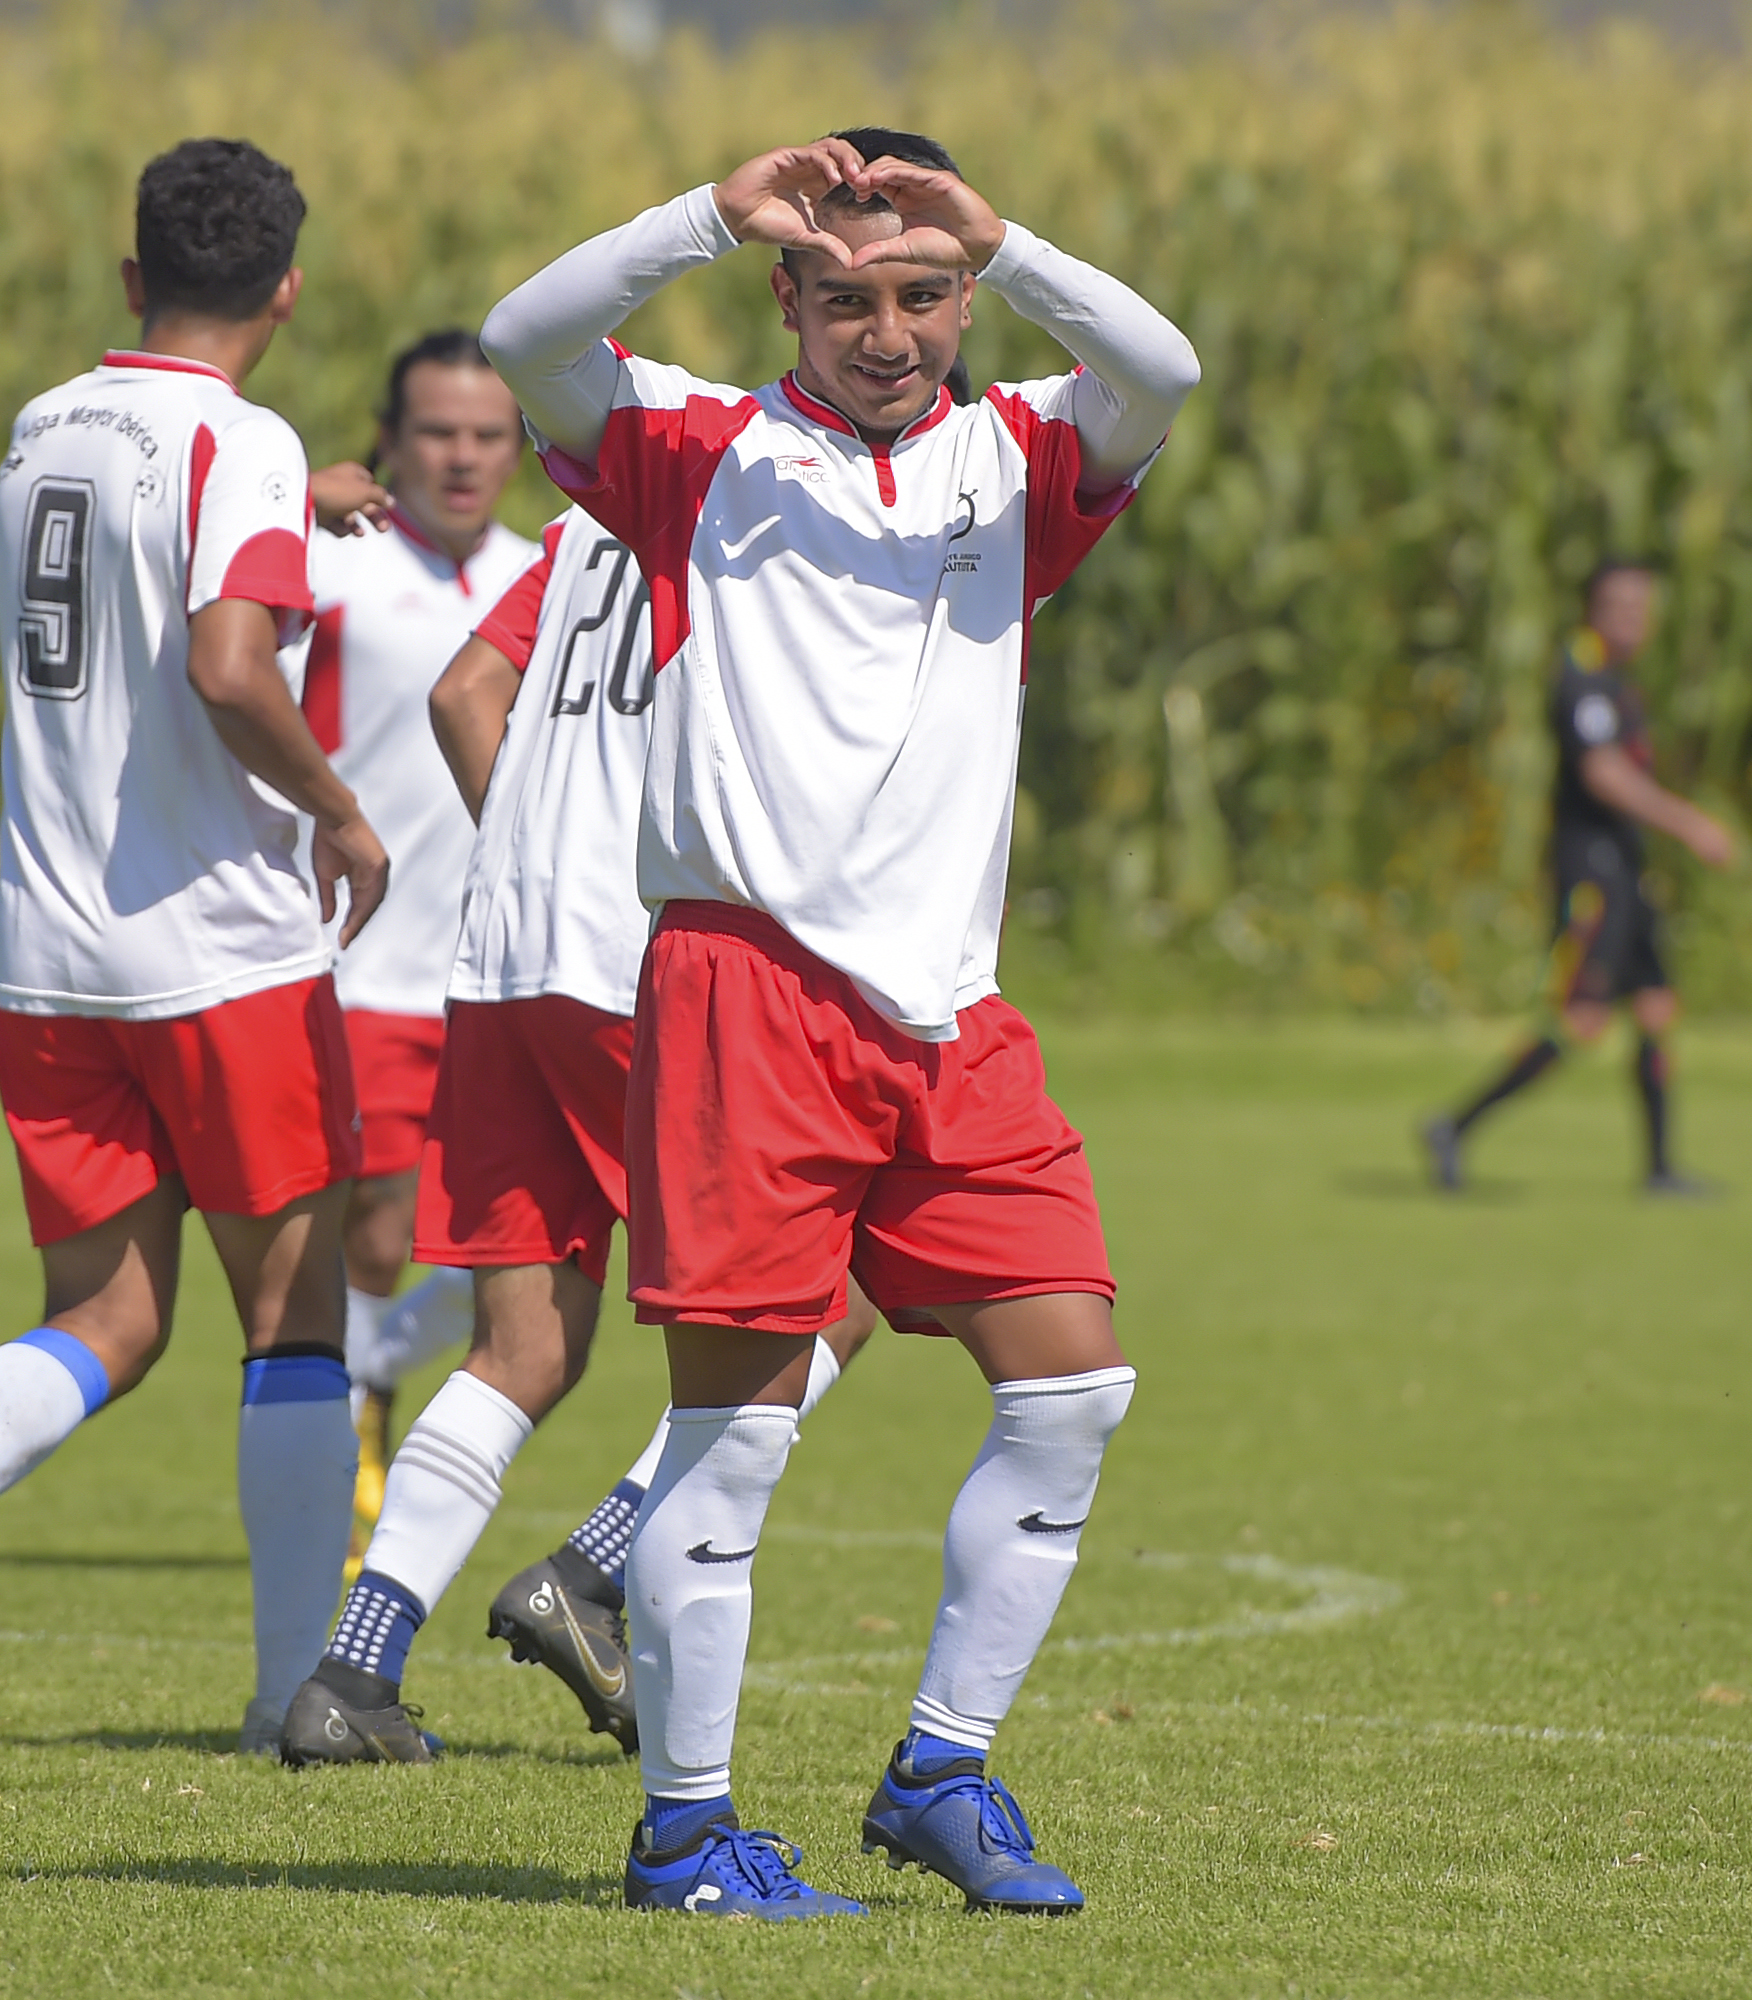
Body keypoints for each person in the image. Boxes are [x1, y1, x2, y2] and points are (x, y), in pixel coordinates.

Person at [481, 129, 1197, 1916]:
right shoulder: (692, 451)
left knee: (1075, 1388)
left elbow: (1166, 369)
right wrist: (705, 217)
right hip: (746, 997)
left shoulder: (1020, 451)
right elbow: (523, 335)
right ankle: (685, 1837)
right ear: (787, 300)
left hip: (954, 1015)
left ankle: (942, 1774)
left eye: (923, 294)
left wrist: (1011, 239)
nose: (890, 330)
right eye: (847, 295)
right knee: (736, 1437)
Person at [0, 137, 388, 1760]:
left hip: (51, 959)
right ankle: (289, 1703)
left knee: (110, 1319)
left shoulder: (45, 425)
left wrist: (302, 498)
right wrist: (339, 809)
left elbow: (150, 550)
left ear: (132, 279)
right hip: (221, 951)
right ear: (285, 285)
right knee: (297, 1316)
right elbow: (222, 659)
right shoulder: (241, 443)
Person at [277, 499, 884, 1767]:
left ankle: (351, 1674)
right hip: (636, 963)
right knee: (842, 1279)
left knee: (522, 1347)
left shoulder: (592, 511)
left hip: (505, 957)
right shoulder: (780, 508)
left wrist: (543, 848)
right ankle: (595, 1571)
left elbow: (463, 693)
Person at [289, 334, 539, 1557]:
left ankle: (367, 1372)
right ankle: (344, 1447)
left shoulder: (544, 571)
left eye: (490, 434)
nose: (464, 456)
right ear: (390, 438)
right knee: (379, 1221)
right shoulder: (332, 570)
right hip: (368, 955)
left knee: (525, 1230)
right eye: (439, 431)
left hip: (510, 960)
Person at [1421, 559, 1736, 1196]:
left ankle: (1659, 1170)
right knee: (1580, 1021)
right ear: (1593, 607)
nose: (1634, 620)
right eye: (1621, 607)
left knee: (1655, 1008)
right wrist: (1690, 824)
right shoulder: (1583, 677)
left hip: (1627, 870)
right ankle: (1455, 1127)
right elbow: (1604, 775)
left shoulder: (1616, 680)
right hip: (1593, 875)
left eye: (1643, 609)